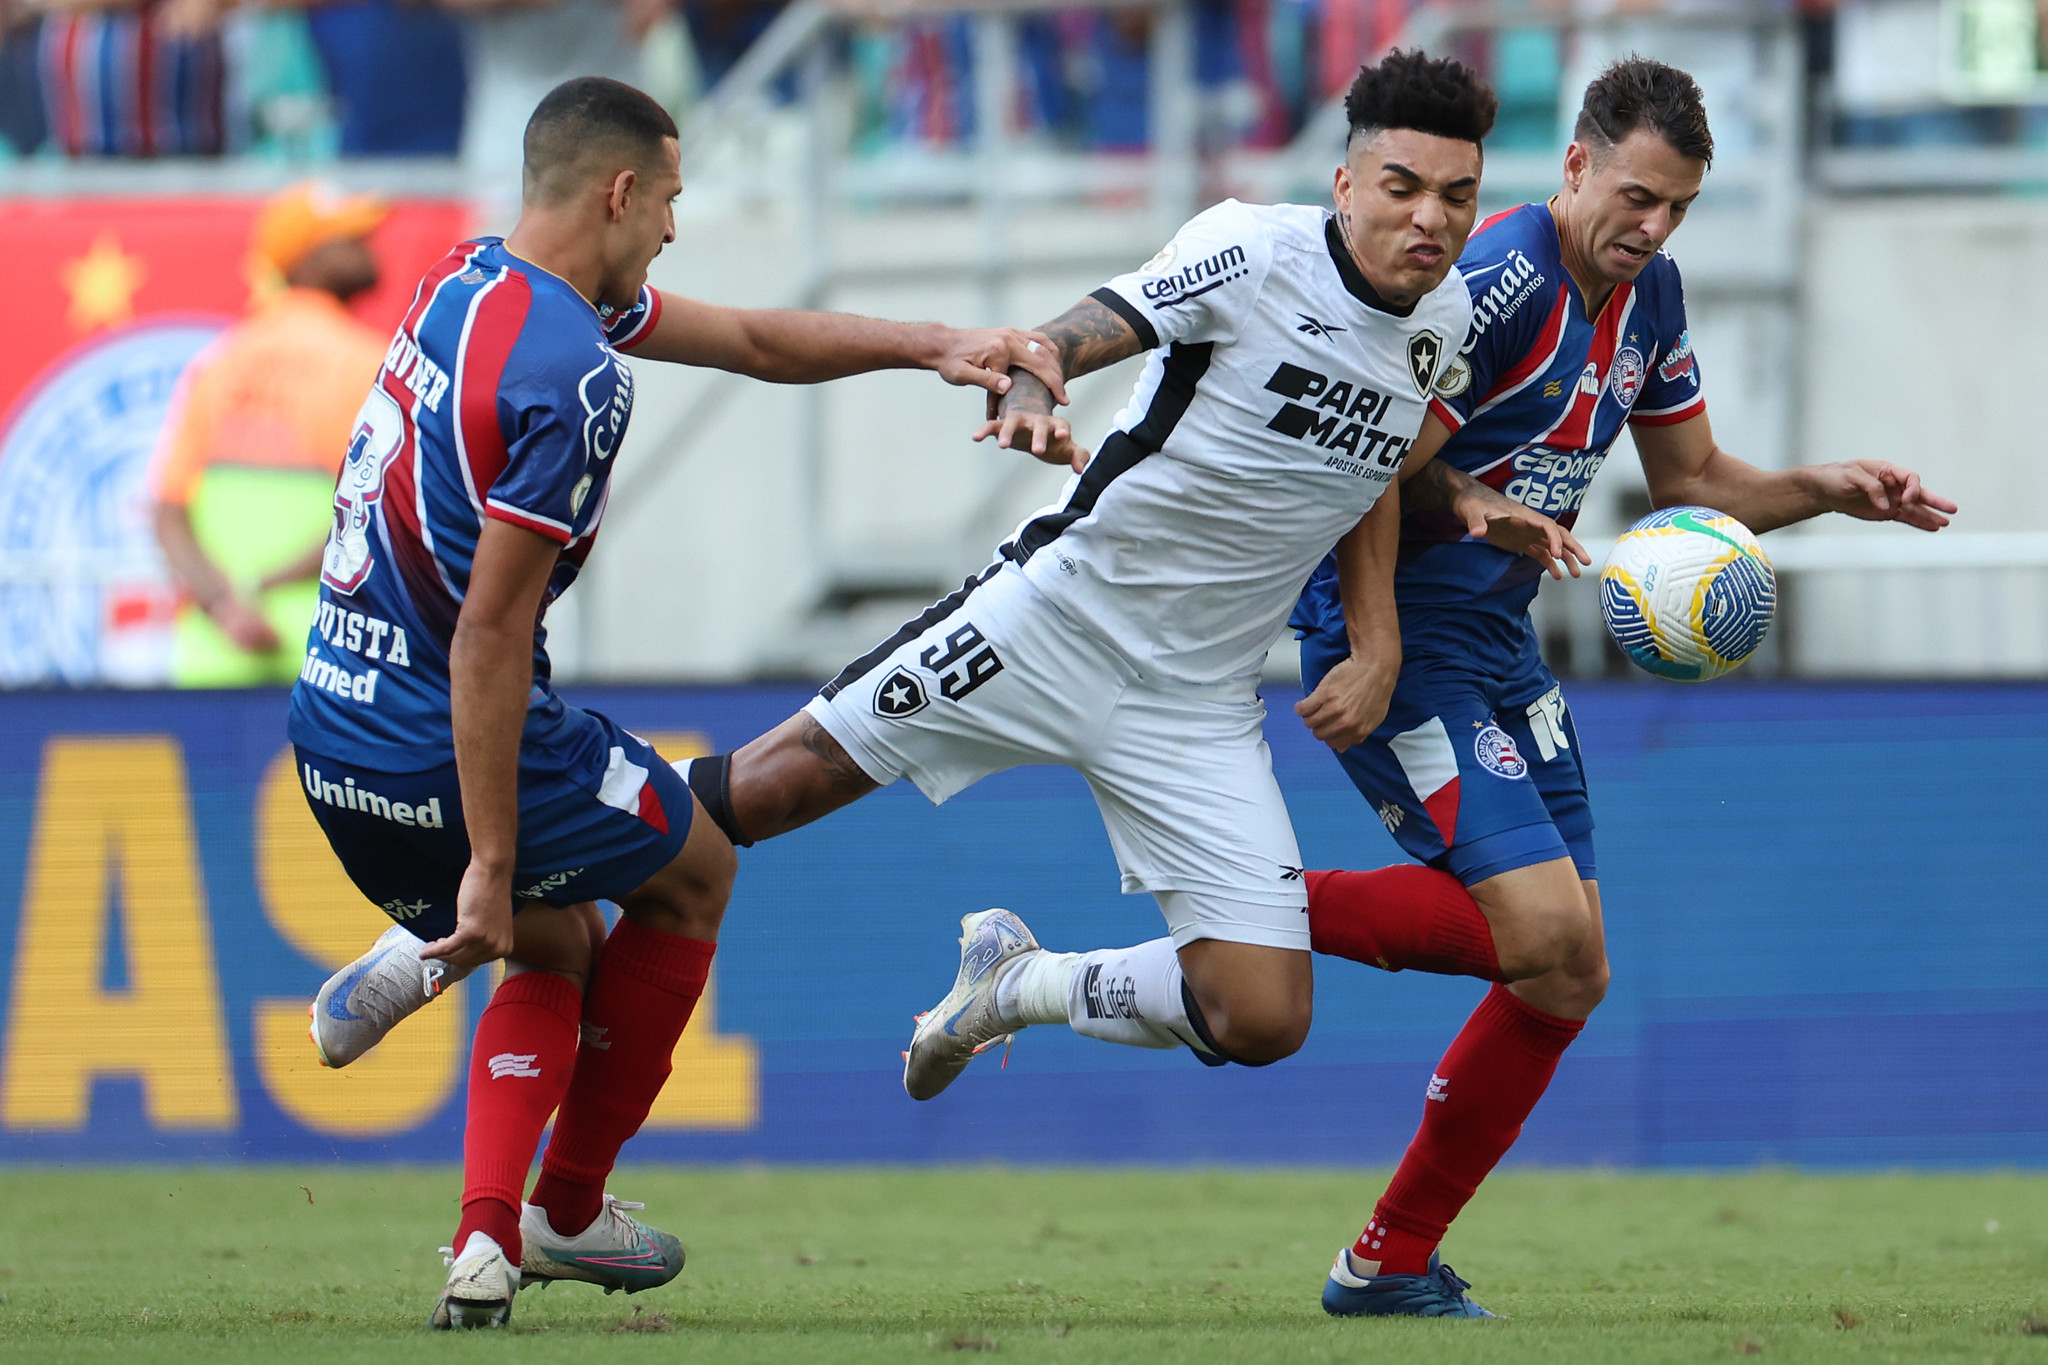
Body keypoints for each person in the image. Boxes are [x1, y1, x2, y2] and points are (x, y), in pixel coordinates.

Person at [311, 46, 1489, 1154]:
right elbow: (1080, 330)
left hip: (1198, 695)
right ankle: (457, 918)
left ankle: (1015, 984)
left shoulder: (1442, 329)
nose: (1428, 219)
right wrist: (1028, 381)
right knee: (747, 803)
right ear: (1344, 181)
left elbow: (1374, 466)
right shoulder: (1247, 248)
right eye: (1401, 186)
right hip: (1054, 616)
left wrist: (1375, 634)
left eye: (1456, 196)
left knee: (1263, 1016)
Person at [286, 74, 1064, 1328]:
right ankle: (569, 1205)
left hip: (327, 728)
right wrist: (487, 857)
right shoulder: (575, 374)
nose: (671, 231)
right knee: (691, 869)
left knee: (557, 940)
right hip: (446, 729)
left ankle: (485, 1244)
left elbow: (754, 344)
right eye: (669, 202)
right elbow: (488, 633)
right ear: (619, 190)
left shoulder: (460, 283)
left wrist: (935, 347)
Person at [1287, 57, 1957, 1318]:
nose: (1650, 228)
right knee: (1540, 934)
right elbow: (1374, 462)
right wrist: (1395, 614)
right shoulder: (1494, 279)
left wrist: (1823, 486)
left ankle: (1385, 1263)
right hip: (1398, 631)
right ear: (1576, 164)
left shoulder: (1645, 299)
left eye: (1678, 208)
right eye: (1637, 196)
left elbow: (1692, 483)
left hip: (1494, 643)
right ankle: (1235, 900)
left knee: (1566, 972)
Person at [152, 183, 391, 687]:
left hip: (212, 650)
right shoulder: (367, 363)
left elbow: (167, 512)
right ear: (308, 259)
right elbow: (374, 514)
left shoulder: (222, 359)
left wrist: (225, 605)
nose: (369, 245)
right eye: (349, 238)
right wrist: (263, 588)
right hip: (326, 653)